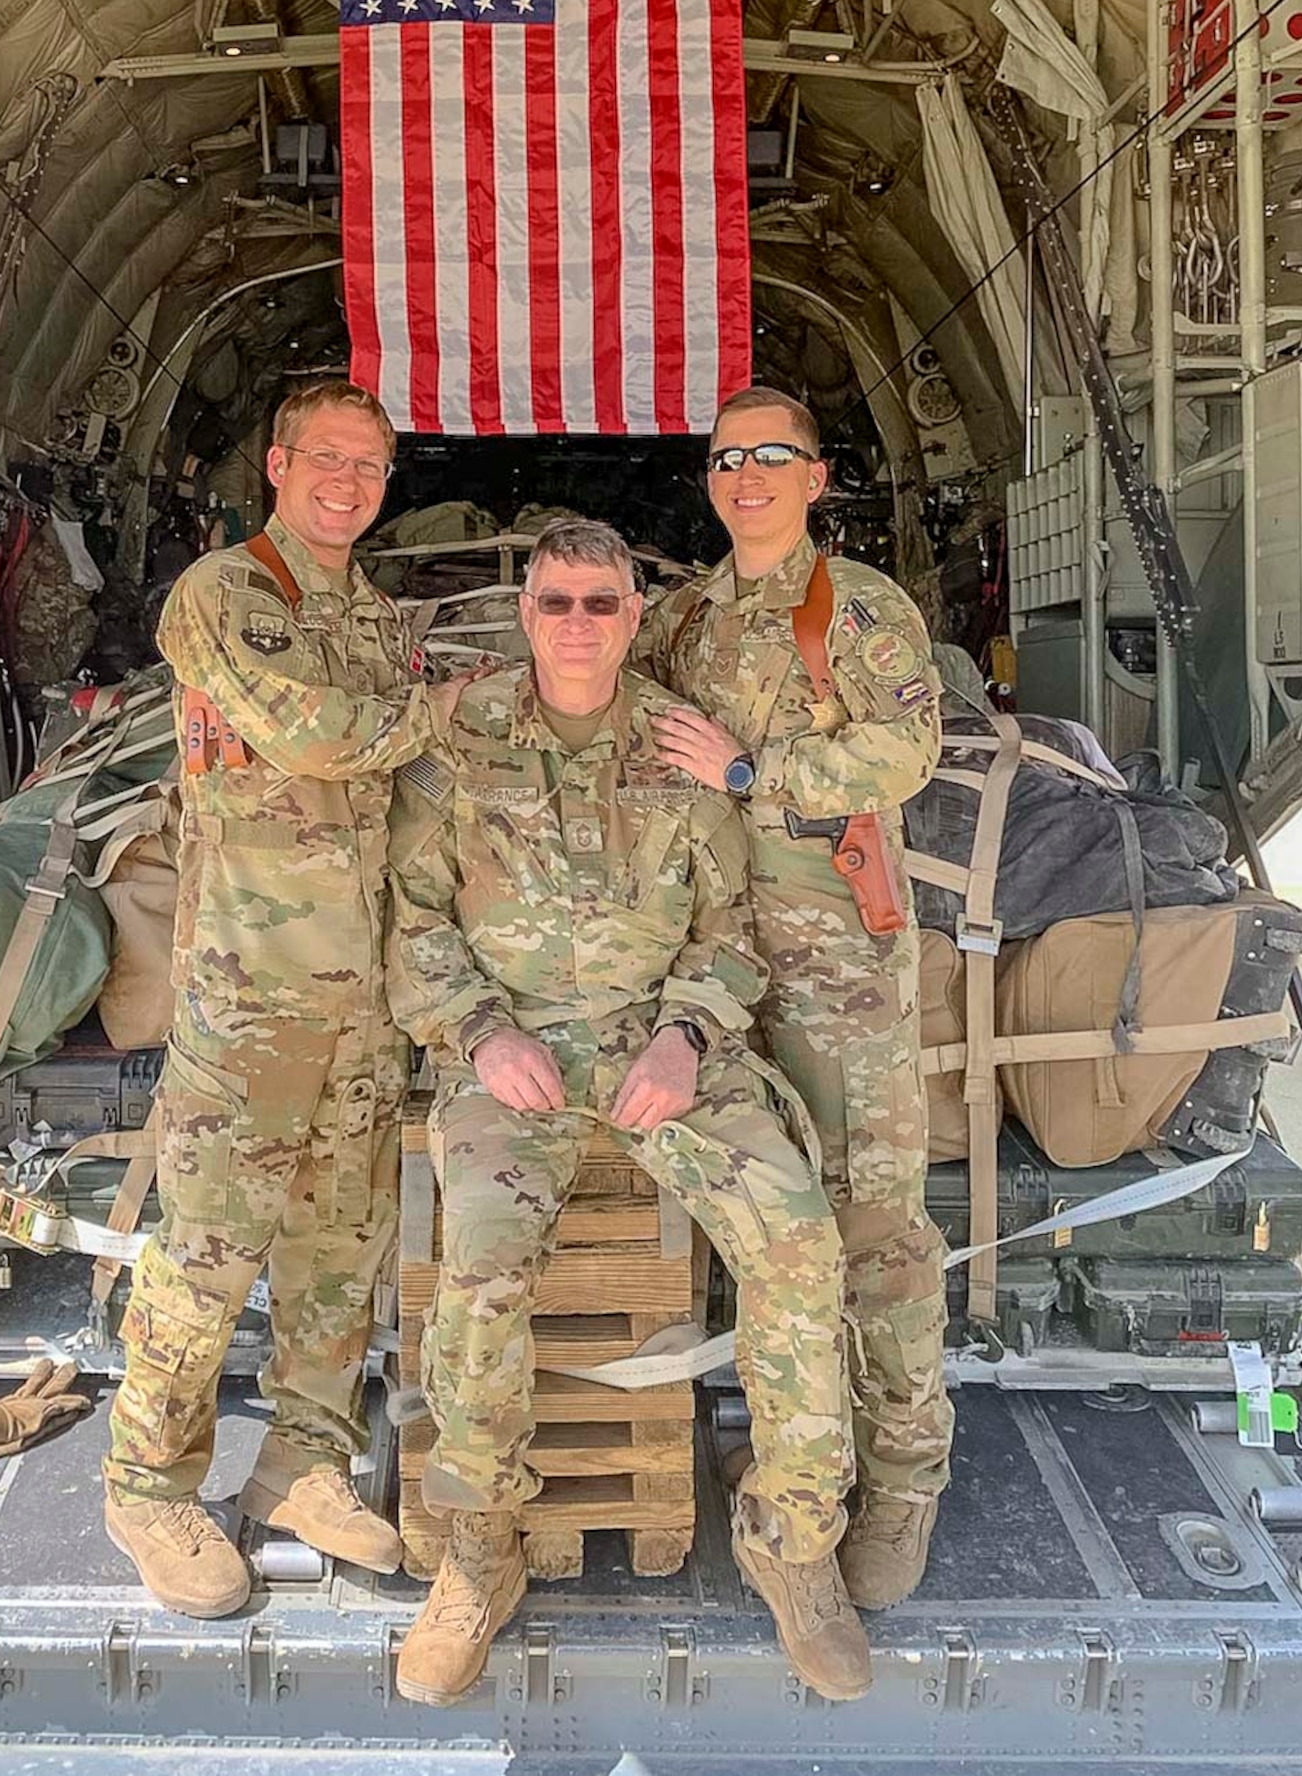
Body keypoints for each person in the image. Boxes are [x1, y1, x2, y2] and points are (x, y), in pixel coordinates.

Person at [386, 516, 869, 1708]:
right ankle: (481, 1550)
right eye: (555, 602)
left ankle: (794, 1541)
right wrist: (481, 1032)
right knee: (481, 1276)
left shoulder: (679, 743)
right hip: (513, 1054)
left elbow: (732, 932)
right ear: (524, 610)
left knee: (799, 1241)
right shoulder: (463, 736)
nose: (578, 625)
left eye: (601, 602)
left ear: (633, 614)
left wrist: (687, 1031)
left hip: (666, 1047)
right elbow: (412, 919)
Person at [102, 378, 467, 1616]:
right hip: (252, 994)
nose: (348, 483)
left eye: (370, 467)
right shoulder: (225, 593)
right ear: (277, 461)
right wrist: (437, 711)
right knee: (207, 1252)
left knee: (336, 1253)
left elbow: (408, 786)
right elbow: (313, 734)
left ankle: (303, 1461)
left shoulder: (368, 611)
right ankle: (148, 1481)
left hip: (359, 994)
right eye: (328, 458)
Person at [641, 384, 954, 1615]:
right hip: (715, 957)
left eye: (773, 455)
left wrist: (749, 770)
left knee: (874, 1231)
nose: (748, 474)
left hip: (836, 967)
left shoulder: (859, 608)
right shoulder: (682, 622)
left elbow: (902, 749)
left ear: (816, 478)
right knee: (766, 1233)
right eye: (727, 458)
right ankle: (790, 1462)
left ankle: (902, 1481)